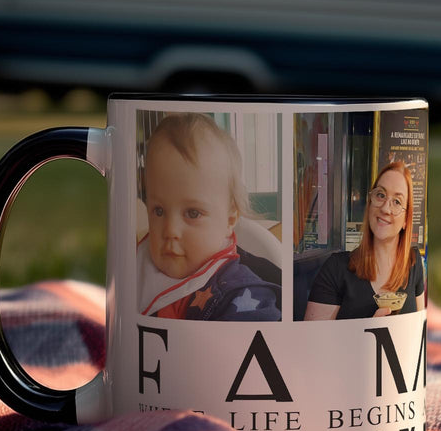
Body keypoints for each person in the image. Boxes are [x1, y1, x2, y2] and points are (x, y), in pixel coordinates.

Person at [138, 113, 281, 321]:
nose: (170, 230)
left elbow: (261, 340)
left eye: (192, 213)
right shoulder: (137, 264)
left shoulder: (239, 294)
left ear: (230, 220)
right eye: (159, 211)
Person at [304, 160, 425, 321]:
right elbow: (313, 342)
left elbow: (419, 332)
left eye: (397, 202)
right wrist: (370, 333)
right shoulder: (335, 270)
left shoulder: (414, 263)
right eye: (380, 195)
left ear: (406, 220)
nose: (385, 208)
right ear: (370, 203)